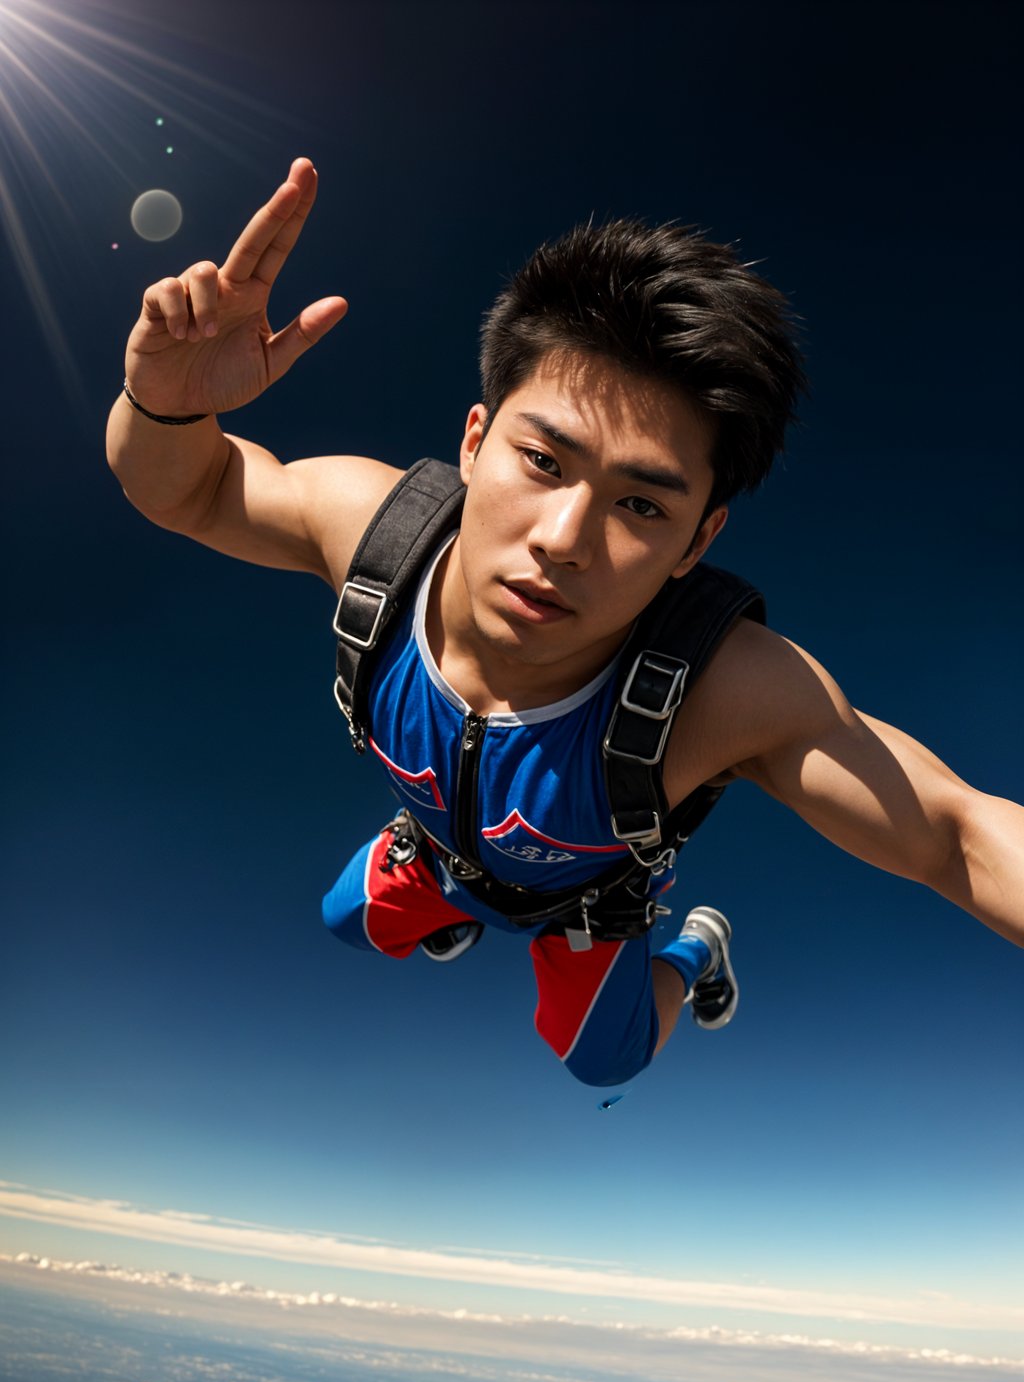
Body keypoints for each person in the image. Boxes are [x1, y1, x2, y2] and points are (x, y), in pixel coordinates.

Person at [106, 158, 1024, 1089]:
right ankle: (451, 890)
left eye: (641, 507)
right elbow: (199, 487)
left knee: (603, 1060)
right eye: (544, 459)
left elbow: (955, 834)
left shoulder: (725, 693)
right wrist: (164, 409)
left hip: (589, 907)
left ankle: (697, 949)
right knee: (345, 921)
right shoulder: (376, 534)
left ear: (698, 540)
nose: (563, 540)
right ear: (473, 441)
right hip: (443, 855)